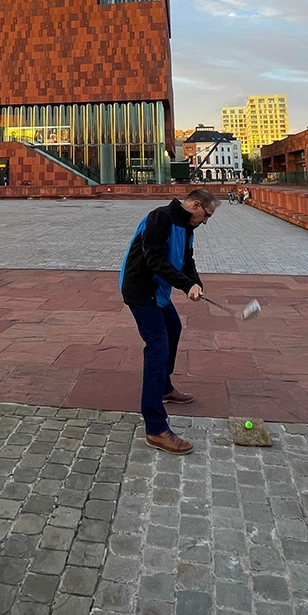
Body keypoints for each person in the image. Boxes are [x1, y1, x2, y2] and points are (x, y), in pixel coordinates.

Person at [120, 188, 218, 455]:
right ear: (196, 205)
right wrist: (185, 286)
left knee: (172, 329)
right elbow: (154, 260)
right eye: (206, 214)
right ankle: (155, 427)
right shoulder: (159, 218)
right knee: (157, 346)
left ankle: (163, 387)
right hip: (140, 289)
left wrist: (195, 282)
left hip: (158, 292)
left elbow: (187, 261)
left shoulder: (187, 228)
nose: (206, 220)